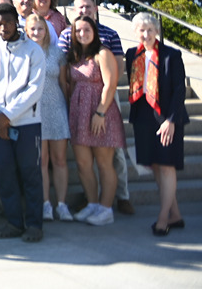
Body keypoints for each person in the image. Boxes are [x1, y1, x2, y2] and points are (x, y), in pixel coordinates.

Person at [0, 4, 45, 242]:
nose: (2, 27)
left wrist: (8, 116)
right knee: (5, 175)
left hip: (26, 123)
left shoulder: (33, 51)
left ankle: (35, 225)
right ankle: (14, 222)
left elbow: (34, 89)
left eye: (7, 22)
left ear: (16, 21)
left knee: (30, 174)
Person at [126, 13, 188, 235]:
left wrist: (171, 120)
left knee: (167, 165)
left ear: (157, 31)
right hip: (143, 118)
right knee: (155, 165)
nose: (146, 34)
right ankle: (176, 214)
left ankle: (163, 220)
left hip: (168, 117)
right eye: (142, 30)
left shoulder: (171, 55)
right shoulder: (132, 55)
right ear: (135, 33)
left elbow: (180, 90)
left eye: (150, 29)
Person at [65, 14, 124, 226]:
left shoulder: (103, 53)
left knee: (104, 163)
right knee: (83, 163)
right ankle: (92, 203)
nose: (82, 34)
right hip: (79, 114)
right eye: (78, 30)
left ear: (94, 31)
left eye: (87, 30)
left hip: (101, 112)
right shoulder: (76, 56)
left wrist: (100, 113)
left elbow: (110, 84)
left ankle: (106, 208)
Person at [24, 14, 72, 223]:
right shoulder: (22, 53)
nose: (36, 33)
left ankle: (61, 204)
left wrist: (70, 109)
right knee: (41, 161)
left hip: (56, 108)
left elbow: (63, 82)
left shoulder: (57, 52)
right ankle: (45, 204)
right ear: (26, 31)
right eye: (32, 29)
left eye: (40, 29)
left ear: (46, 31)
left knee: (60, 160)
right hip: (34, 111)